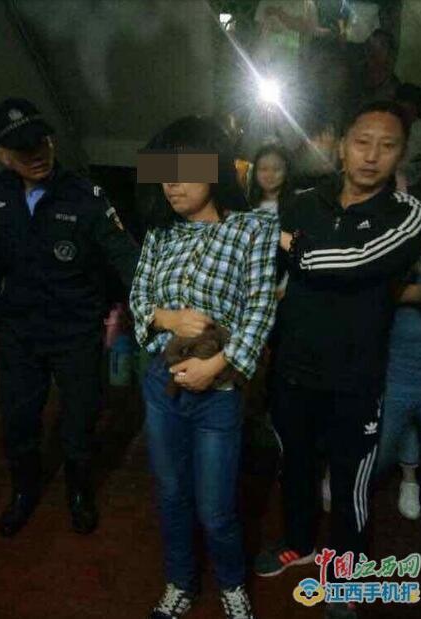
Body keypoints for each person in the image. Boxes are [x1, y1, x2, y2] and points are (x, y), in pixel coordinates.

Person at [254, 101, 421, 619]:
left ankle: (346, 577)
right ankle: (298, 542)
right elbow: (269, 267)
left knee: (352, 482)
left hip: (356, 378)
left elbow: (352, 262)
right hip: (293, 367)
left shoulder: (408, 213)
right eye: (362, 142)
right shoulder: (302, 202)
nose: (372, 156)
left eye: (387, 145)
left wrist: (293, 247)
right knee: (295, 464)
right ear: (342, 146)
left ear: (401, 153)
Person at [130, 116, 279, 619]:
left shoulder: (251, 229)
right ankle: (180, 583)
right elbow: (139, 298)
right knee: (172, 495)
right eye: (163, 173)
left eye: (183, 171)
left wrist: (215, 366)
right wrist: (167, 317)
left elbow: (260, 309)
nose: (170, 184)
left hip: (219, 389)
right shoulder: (159, 235)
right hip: (162, 383)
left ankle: (232, 585)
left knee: (215, 508)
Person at [0, 98, 139, 538]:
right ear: (2, 155)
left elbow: (125, 257)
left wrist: (152, 303)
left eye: (42, 142)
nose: (38, 154)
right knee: (18, 419)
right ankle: (23, 492)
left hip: (75, 332)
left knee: (80, 418)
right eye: (23, 149)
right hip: (19, 333)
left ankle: (79, 493)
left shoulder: (85, 196)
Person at [377, 214, 421, 589]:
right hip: (397, 371)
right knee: (374, 460)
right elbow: (373, 289)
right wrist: (419, 294)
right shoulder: (415, 227)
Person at [248, 143, 292, 216]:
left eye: (276, 169)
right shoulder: (247, 205)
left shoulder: (299, 201)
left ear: (286, 171)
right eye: (263, 169)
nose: (270, 175)